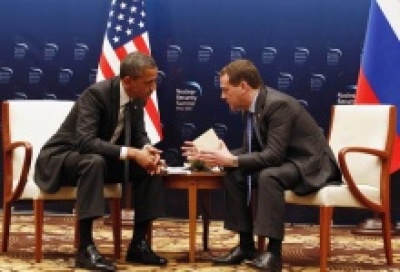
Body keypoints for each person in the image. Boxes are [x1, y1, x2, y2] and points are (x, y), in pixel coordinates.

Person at [182, 59, 342, 271]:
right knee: (234, 172)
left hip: (310, 163)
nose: (222, 96)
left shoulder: (278, 105)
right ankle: (246, 246)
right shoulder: (250, 108)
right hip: (287, 160)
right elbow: (252, 152)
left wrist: (231, 159)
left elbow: (273, 156)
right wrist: (214, 156)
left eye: (225, 90)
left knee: (269, 175)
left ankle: (273, 254)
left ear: (243, 87)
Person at [34, 52, 167, 271]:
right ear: (128, 81)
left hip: (99, 160)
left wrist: (145, 149)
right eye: (148, 82)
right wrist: (133, 153)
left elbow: (139, 136)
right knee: (93, 161)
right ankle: (85, 249)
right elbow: (85, 143)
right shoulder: (96, 95)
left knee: (148, 168)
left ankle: (138, 245)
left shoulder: (137, 100)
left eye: (154, 82)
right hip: (61, 158)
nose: (153, 88)